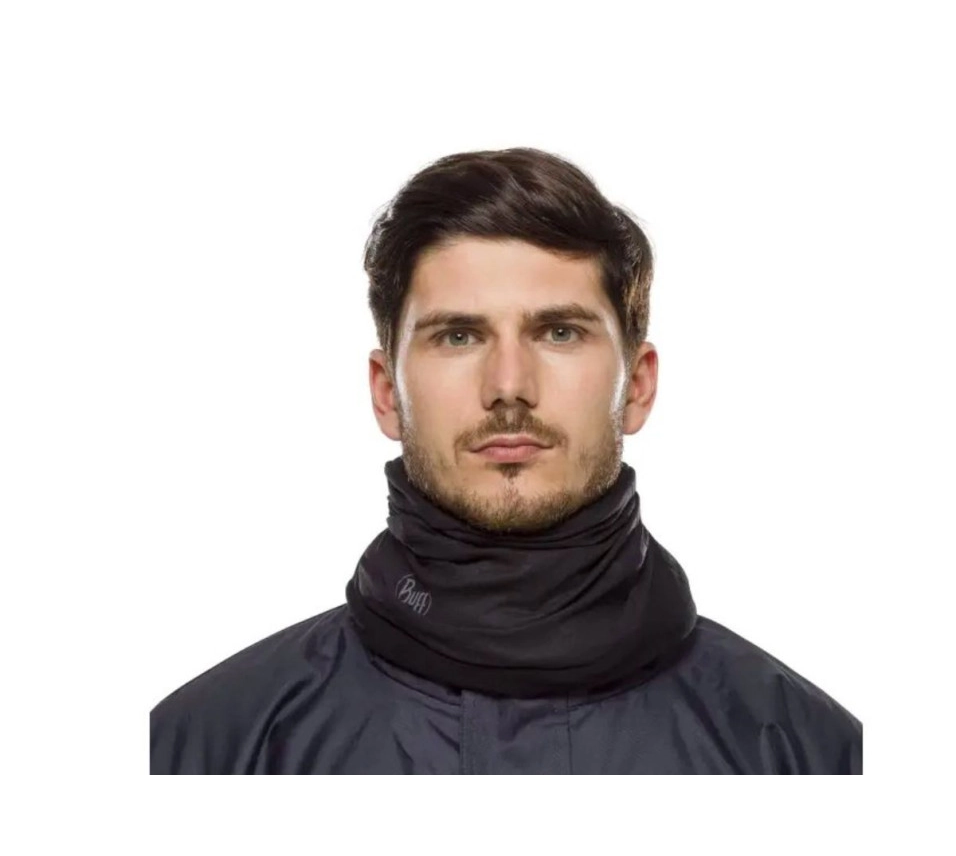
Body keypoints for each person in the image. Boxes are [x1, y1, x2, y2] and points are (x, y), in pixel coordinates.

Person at [150, 147, 862, 774]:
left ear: (638, 386)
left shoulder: (809, 755)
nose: (509, 386)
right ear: (386, 393)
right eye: (459, 336)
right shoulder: (205, 748)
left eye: (559, 332)